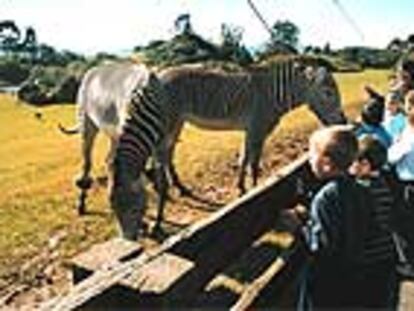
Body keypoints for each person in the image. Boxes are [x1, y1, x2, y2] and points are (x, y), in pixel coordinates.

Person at [298, 125, 367, 310]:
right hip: (355, 276)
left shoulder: (326, 198)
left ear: (326, 163)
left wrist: (301, 227)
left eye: (312, 155)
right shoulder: (360, 190)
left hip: (326, 280)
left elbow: (321, 246)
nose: (309, 159)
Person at [349, 134, 397, 308]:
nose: (350, 166)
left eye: (352, 162)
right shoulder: (384, 183)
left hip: (368, 257)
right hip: (385, 255)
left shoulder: (361, 190)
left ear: (364, 165)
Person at [388, 89, 414, 277]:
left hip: (408, 185)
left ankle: (409, 265)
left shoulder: (410, 133)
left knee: (403, 225)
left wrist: (395, 143)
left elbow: (393, 157)